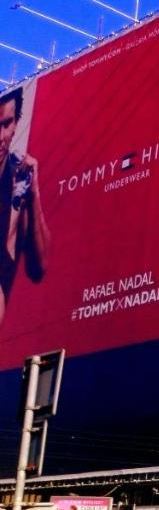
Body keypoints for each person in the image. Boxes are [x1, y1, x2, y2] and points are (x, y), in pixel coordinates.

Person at [0, 86, 49, 328]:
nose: (0, 137)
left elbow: (38, 268)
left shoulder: (19, 182)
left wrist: (34, 192)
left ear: (15, 125)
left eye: (6, 125)